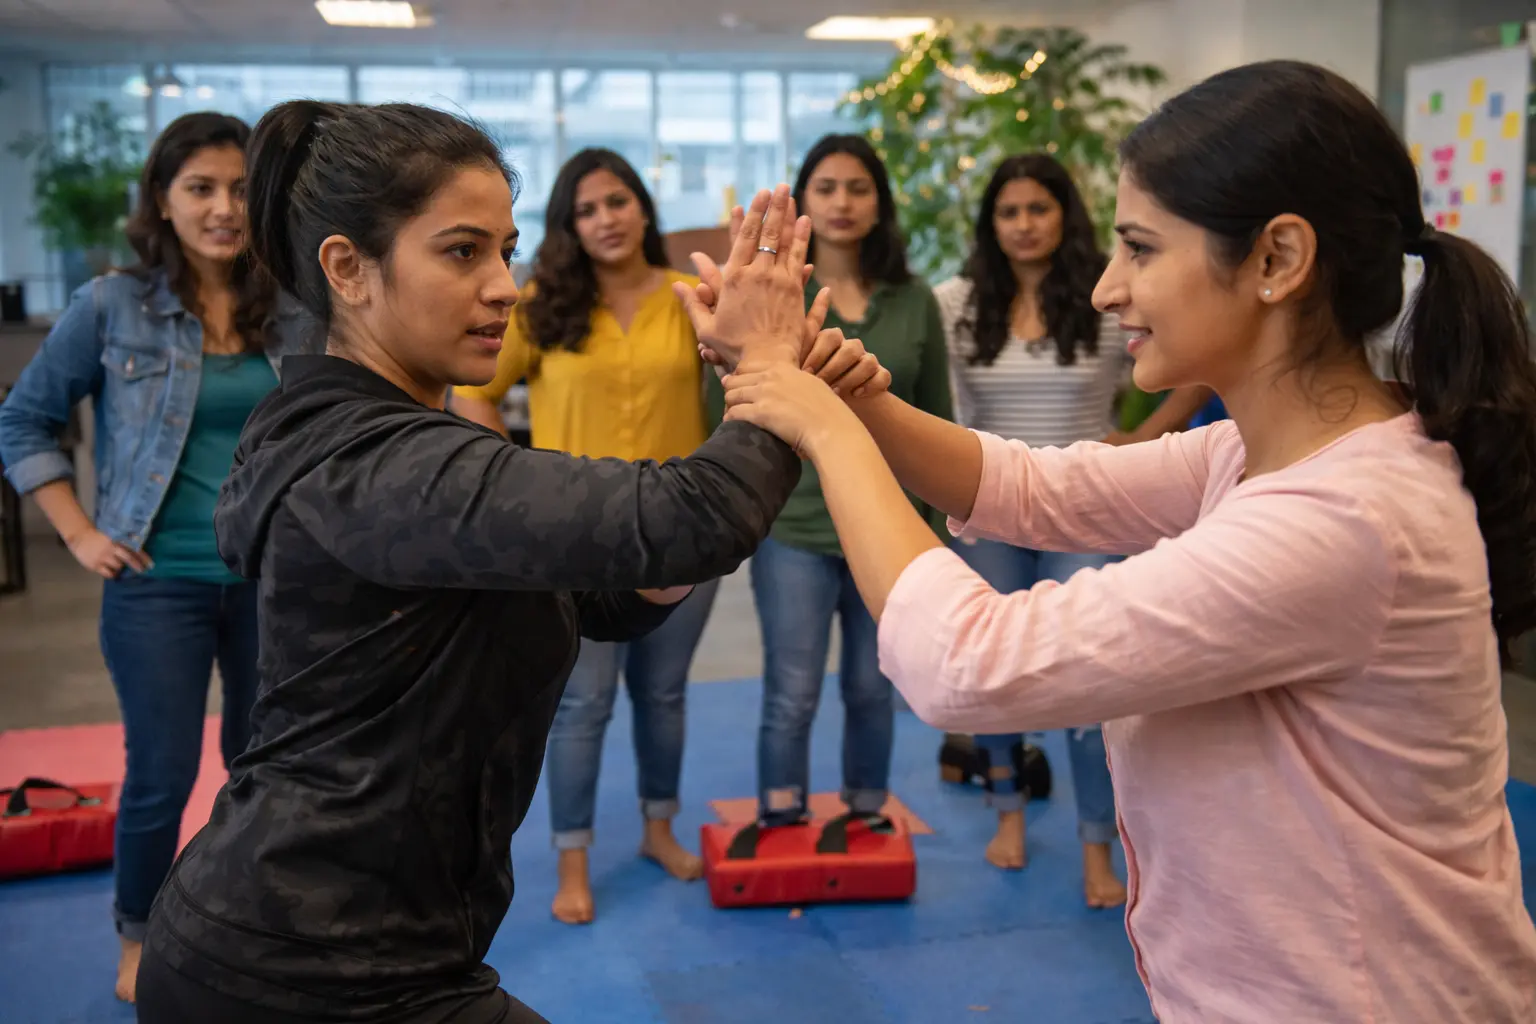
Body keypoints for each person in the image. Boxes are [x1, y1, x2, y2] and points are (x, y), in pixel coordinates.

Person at [701, 61, 1536, 1021]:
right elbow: (1034, 484)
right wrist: (841, 387)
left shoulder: (1346, 519)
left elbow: (968, 665)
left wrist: (823, 424)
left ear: (1277, 261)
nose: (1106, 288)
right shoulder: (1254, 452)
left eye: (1140, 248)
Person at [132, 99, 883, 1023]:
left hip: (373, 948)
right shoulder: (373, 461)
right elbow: (693, 518)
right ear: (347, 269)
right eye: (461, 252)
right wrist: (772, 380)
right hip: (300, 970)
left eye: (504, 248)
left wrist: (776, 393)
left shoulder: (405, 445)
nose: (504, 285)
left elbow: (618, 590)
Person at [0, 111, 309, 1004]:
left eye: (242, 188)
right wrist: (77, 531)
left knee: (267, 769)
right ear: (163, 203)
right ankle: (140, 935)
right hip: (155, 582)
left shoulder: (293, 307)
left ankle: (246, 922)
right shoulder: (112, 305)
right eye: (200, 189)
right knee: (162, 774)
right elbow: (21, 419)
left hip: (271, 577)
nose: (224, 208)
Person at [452, 148, 732, 924]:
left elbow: (743, 380)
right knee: (582, 705)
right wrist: (507, 472)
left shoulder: (689, 299)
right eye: (586, 209)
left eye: (617, 201)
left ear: (642, 207)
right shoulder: (540, 302)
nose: (604, 219)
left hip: (682, 528)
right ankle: (572, 857)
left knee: (665, 695)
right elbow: (473, 389)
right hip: (576, 536)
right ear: (568, 225)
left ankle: (657, 830)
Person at [934, 153, 1207, 898]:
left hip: (1090, 510)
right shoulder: (955, 303)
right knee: (992, 679)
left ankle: (1096, 847)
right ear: (991, 224)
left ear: (1065, 214)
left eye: (1038, 209)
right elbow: (935, 404)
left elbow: (1200, 363)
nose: (1024, 225)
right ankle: (1008, 813)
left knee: (1092, 683)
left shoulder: (1111, 294)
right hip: (990, 510)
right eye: (1008, 212)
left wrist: (1148, 436)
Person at [706, 133, 951, 830]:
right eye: (826, 188)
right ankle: (781, 815)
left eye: (858, 187)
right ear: (803, 203)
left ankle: (868, 811)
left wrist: (934, 533)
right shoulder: (779, 297)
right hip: (796, 526)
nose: (842, 202)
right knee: (792, 687)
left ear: (880, 203)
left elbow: (939, 418)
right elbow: (733, 401)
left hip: (888, 524)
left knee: (875, 687)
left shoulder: (914, 299)